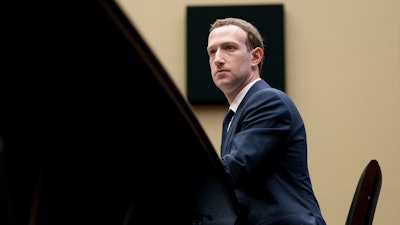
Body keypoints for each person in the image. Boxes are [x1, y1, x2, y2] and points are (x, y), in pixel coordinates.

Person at [207, 17, 327, 225]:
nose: (218, 59)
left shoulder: (268, 101)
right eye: (212, 51)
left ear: (255, 57)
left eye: (229, 48)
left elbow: (235, 169)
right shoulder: (234, 115)